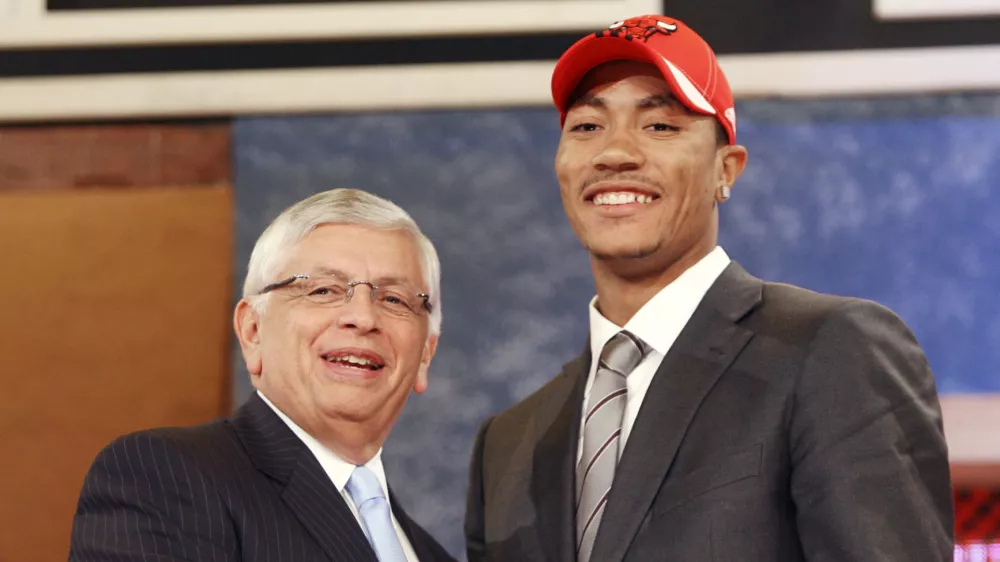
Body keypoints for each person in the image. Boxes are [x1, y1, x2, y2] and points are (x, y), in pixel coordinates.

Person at [464, 14, 954, 562]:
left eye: (660, 127)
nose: (614, 153)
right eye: (586, 127)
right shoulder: (508, 445)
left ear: (727, 169)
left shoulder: (831, 350)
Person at [70, 188, 456, 562]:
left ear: (425, 354)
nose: (362, 318)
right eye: (323, 290)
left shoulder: (427, 553)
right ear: (253, 331)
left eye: (394, 299)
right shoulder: (162, 479)